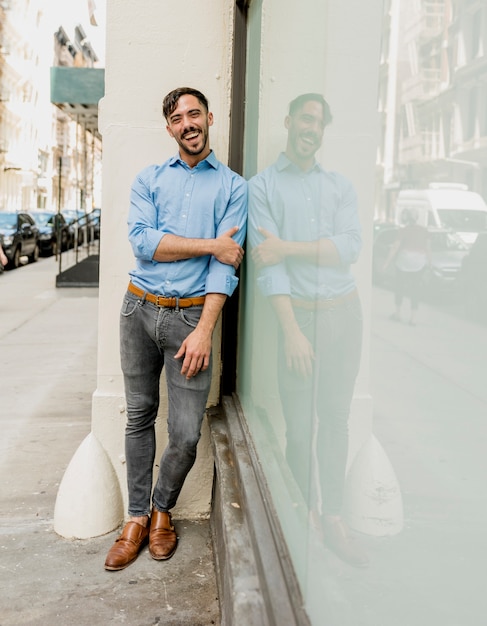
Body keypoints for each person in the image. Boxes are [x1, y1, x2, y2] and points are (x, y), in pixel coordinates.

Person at [104, 87, 247, 571]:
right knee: (139, 416)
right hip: (138, 310)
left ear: (208, 118)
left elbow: (226, 270)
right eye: (177, 117)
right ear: (169, 128)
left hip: (190, 318)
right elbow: (144, 245)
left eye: (193, 113)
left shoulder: (233, 188)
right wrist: (211, 244)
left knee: (185, 431)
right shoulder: (149, 179)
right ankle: (137, 517)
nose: (187, 123)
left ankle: (163, 509)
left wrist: (205, 329)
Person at [248, 93, 367, 567]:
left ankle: (333, 517)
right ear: (289, 120)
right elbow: (267, 267)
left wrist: (290, 248)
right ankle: (303, 519)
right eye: (305, 118)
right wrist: (291, 330)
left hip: (345, 315)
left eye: (319, 122)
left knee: (335, 421)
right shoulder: (264, 187)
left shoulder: (339, 186)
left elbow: (350, 247)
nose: (311, 128)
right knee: (298, 429)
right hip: (300, 320)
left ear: (323, 130)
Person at [384, 208, 430, 326]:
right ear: (417, 217)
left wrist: (387, 263)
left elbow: (395, 247)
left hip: (403, 262)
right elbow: (428, 248)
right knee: (415, 289)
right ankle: (413, 318)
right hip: (419, 263)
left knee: (399, 286)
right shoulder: (424, 231)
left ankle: (398, 314)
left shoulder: (403, 230)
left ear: (407, 218)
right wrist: (429, 262)